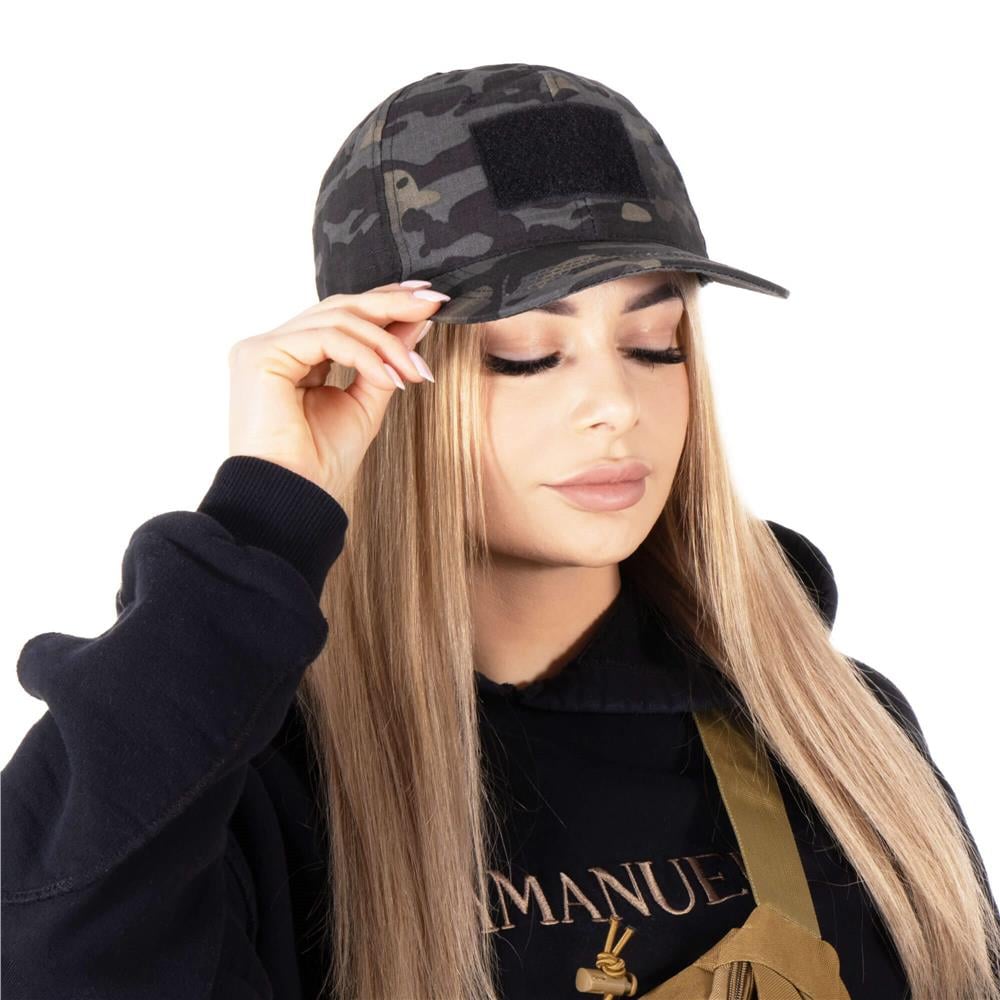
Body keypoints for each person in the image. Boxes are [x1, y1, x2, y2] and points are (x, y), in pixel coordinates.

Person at [3, 62, 998, 1000]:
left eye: (653, 344)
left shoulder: (831, 733)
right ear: (380, 370)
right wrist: (264, 511)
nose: (616, 404)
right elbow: (49, 946)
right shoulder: (251, 779)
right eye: (527, 353)